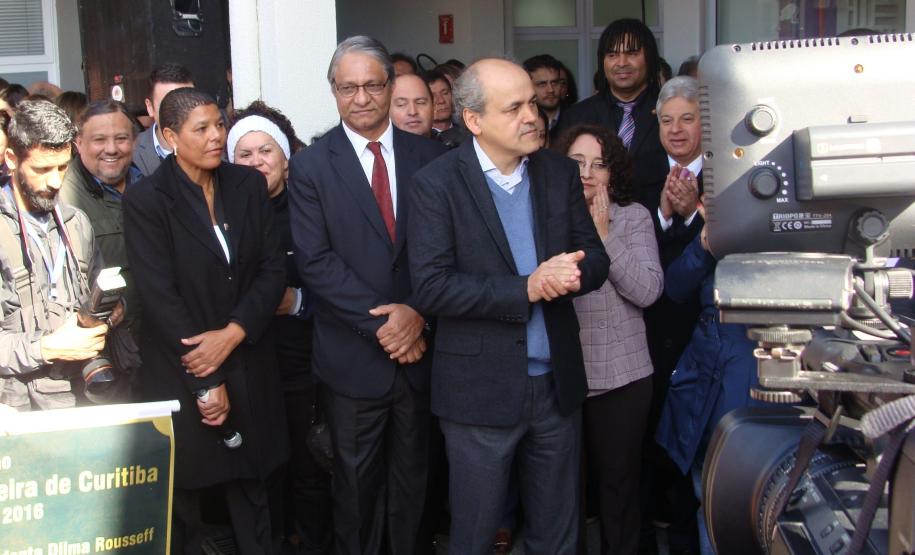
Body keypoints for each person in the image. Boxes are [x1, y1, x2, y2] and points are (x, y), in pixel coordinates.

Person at [407, 58, 610, 554]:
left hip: (555, 386)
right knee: (475, 533)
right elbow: (431, 288)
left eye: (534, 105)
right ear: (473, 120)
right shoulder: (436, 184)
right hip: (479, 391)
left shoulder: (558, 173)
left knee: (558, 534)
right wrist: (527, 288)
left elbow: (598, 260)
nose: (532, 117)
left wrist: (573, 273)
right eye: (514, 107)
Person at [287, 35, 446, 554]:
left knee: (414, 489)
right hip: (354, 360)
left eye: (372, 85)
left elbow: (449, 249)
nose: (360, 97)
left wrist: (418, 314)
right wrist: (389, 324)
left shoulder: (432, 157)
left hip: (421, 356)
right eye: (347, 87)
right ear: (333, 92)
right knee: (355, 494)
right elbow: (315, 262)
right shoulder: (311, 165)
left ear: (390, 86)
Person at [123, 87, 288, 554]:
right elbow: (159, 296)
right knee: (193, 502)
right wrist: (206, 375)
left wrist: (233, 333)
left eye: (219, 124)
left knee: (254, 489)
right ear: (170, 136)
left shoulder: (247, 185)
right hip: (186, 369)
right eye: (202, 129)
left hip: (249, 357)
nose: (217, 136)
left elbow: (272, 269)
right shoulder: (148, 200)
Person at [228, 100, 333, 554]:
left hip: (303, 362)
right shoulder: (222, 215)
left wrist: (296, 303)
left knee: (310, 467)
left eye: (265, 151)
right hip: (248, 365)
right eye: (245, 155)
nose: (256, 163)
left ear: (287, 156)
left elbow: (335, 285)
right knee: (260, 471)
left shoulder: (313, 209)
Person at [555, 124, 662, 554]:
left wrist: (605, 238)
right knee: (566, 493)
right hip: (563, 374)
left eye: (599, 164)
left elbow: (648, 291)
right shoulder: (547, 217)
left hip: (623, 377)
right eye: (577, 163)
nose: (587, 173)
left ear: (612, 173)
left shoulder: (633, 216)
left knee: (620, 489)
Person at [655, 201, 767, 555]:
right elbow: (674, 286)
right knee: (713, 507)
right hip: (712, 389)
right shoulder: (723, 222)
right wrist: (705, 243)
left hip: (771, 384)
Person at [0, 100, 114, 410]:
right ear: (11, 159)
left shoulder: (76, 222)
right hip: (15, 410)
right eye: (42, 169)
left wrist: (109, 314)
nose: (55, 181)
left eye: (63, 167)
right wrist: (45, 348)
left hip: (80, 398)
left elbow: (93, 289)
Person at [555, 18, 668, 205]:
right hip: (588, 227)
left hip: (658, 225)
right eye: (612, 55)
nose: (621, 63)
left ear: (650, 58)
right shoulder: (577, 116)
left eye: (631, 53)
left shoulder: (668, 114)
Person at [60, 100, 144, 340]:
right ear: (78, 143)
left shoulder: (152, 187)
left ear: (134, 141)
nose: (111, 149)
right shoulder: (62, 199)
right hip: (106, 340)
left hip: (155, 338)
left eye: (121, 138)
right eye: (99, 140)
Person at [132, 63, 195, 176]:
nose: (179, 112)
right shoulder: (133, 152)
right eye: (168, 104)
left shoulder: (213, 144)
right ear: (150, 107)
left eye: (188, 103)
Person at [522, 54, 563, 131]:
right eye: (542, 84)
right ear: (528, 86)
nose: (551, 90)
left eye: (554, 82)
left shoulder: (577, 118)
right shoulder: (520, 120)